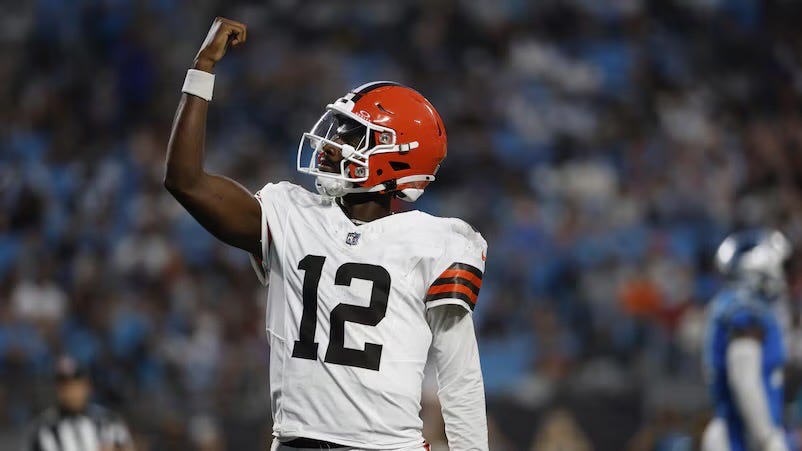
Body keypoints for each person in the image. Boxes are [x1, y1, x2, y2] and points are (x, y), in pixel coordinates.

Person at [164, 17, 488, 451]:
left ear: (397, 156)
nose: (330, 144)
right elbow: (185, 181)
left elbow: (459, 376)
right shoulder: (290, 213)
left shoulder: (437, 242)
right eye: (336, 130)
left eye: (353, 135)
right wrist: (202, 69)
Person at [701, 229, 795, 451]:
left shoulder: (730, 304)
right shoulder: (746, 310)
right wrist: (767, 437)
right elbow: (744, 379)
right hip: (740, 437)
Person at [25, 356, 135, 451]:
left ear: (88, 386)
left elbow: (127, 447)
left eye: (77, 386)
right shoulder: (42, 430)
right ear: (58, 390)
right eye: (66, 387)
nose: (72, 393)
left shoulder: (109, 422)